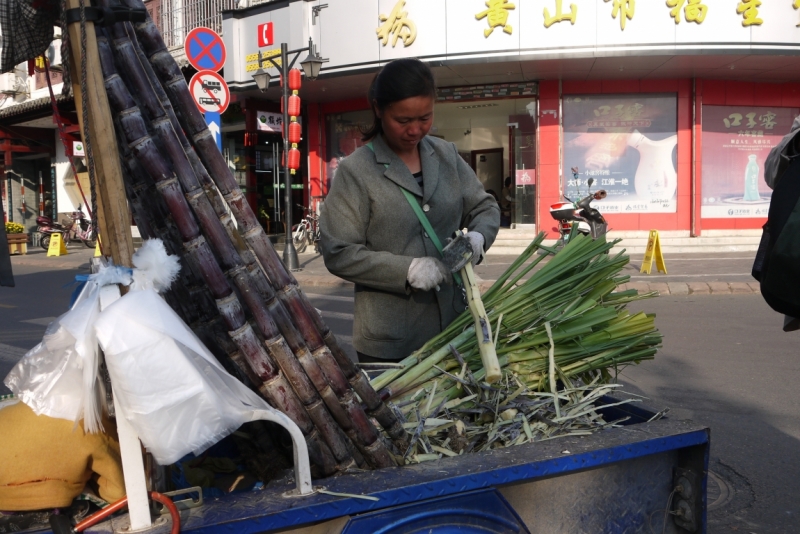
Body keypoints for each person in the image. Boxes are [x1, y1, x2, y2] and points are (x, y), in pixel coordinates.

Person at [319, 58, 500, 362]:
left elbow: (485, 206)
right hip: (391, 343)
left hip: (454, 329)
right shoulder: (357, 171)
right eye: (403, 120)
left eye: (425, 118)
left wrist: (480, 236)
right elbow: (338, 251)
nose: (415, 130)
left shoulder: (445, 155)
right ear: (379, 109)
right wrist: (407, 270)